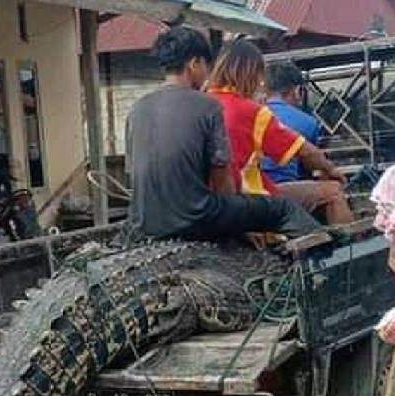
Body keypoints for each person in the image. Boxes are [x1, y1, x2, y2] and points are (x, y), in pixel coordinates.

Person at [125, 27, 319, 242]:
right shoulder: (207, 105)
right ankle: (326, 261)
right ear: (194, 63)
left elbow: (132, 172)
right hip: (194, 219)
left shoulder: (137, 108)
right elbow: (221, 175)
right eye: (206, 66)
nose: (208, 74)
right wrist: (238, 224)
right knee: (284, 208)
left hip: (145, 221)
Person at [208, 40, 354, 225]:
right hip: (248, 198)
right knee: (333, 191)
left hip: (208, 200)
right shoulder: (253, 112)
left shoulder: (200, 103)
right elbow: (307, 152)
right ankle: (349, 251)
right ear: (251, 75)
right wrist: (331, 169)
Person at [260, 62, 321, 181]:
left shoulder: (252, 115)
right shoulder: (308, 122)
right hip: (286, 187)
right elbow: (311, 165)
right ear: (297, 91)